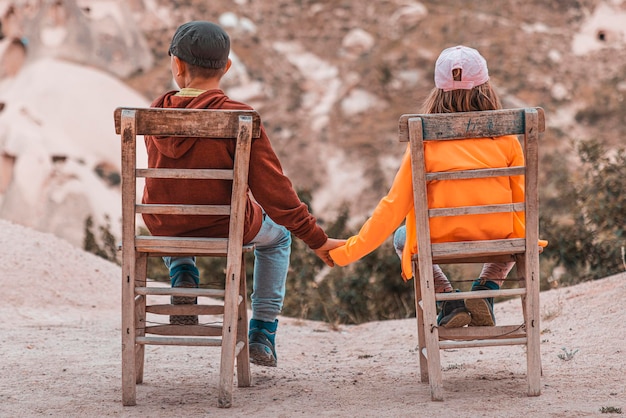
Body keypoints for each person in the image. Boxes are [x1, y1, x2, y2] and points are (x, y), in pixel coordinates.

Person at [143, 21, 343, 367]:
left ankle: (183, 275)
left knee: (177, 221)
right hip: (226, 226)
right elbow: (274, 191)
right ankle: (262, 333)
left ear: (176, 65)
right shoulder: (240, 118)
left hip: (166, 225)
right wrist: (316, 239)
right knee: (278, 237)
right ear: (227, 67)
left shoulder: (153, 116)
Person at [330, 45, 547, 328]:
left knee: (401, 236)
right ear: (486, 89)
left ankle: (448, 298)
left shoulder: (425, 143)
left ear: (438, 92)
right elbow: (521, 202)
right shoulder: (507, 140)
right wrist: (529, 238)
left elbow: (393, 206)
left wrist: (347, 251)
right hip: (499, 233)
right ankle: (487, 289)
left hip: (438, 238)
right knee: (517, 232)